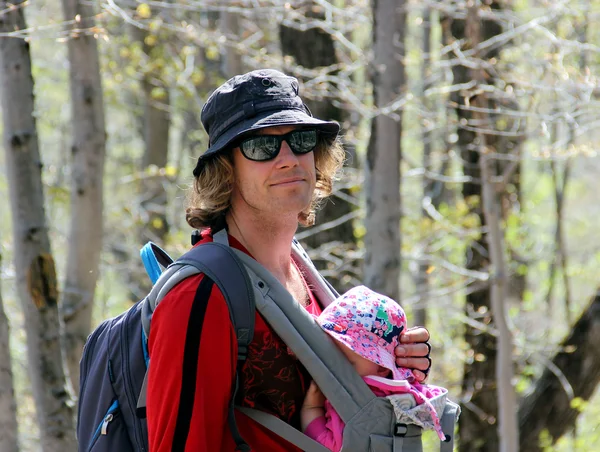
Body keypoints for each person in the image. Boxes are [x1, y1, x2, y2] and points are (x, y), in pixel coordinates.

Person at [145, 69, 432, 452]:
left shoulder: (306, 275)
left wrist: (389, 366)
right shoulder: (200, 295)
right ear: (225, 170)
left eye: (300, 140)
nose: (287, 159)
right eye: (261, 146)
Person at [300, 285, 448, 451]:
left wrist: (311, 408)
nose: (332, 365)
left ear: (382, 368)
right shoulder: (400, 395)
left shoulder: (360, 408)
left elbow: (329, 446)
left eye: (346, 363)